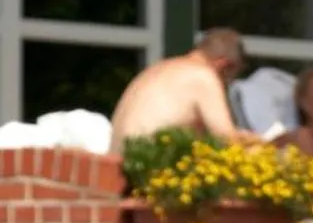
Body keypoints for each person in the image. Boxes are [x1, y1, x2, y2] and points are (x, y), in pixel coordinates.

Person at [108, 28, 255, 152]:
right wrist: (259, 145)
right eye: (231, 77)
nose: (227, 85)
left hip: (113, 168)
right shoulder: (203, 76)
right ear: (224, 66)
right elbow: (228, 142)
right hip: (141, 172)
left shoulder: (161, 68)